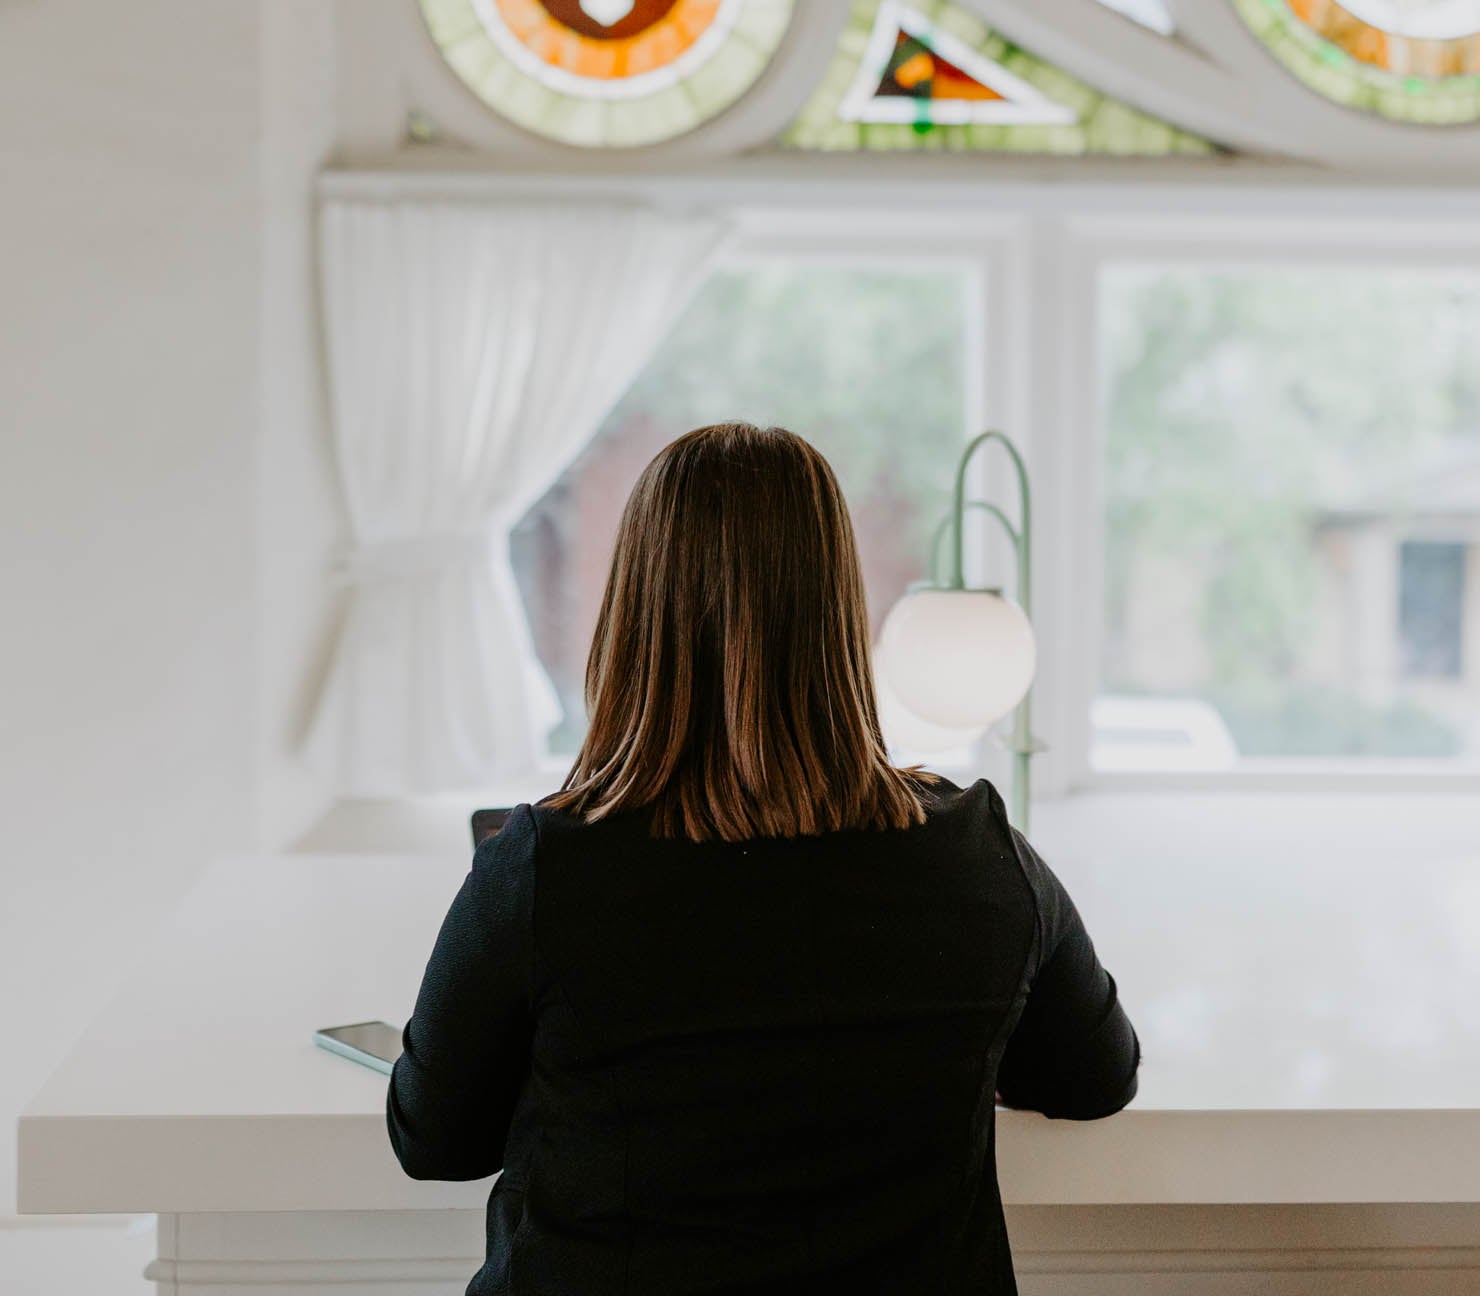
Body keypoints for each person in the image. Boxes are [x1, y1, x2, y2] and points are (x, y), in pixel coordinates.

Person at [388, 423, 1140, 1295]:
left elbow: (433, 1142)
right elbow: (1096, 1076)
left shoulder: (541, 869)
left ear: (635, 610)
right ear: (838, 614)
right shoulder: (979, 852)